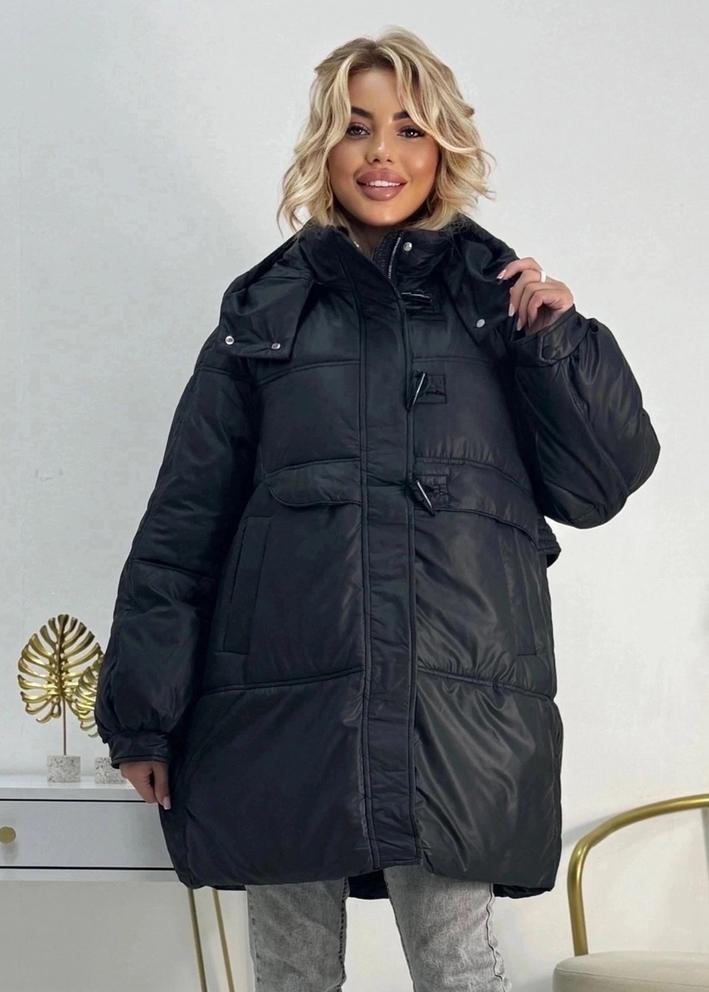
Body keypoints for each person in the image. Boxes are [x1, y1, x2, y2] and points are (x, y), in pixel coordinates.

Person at [94, 26, 661, 992]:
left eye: (408, 128)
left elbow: (599, 484)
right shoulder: (265, 314)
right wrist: (144, 717)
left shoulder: (498, 306)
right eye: (356, 128)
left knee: (457, 967)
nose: (381, 154)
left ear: (443, 145)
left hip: (455, 707)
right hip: (282, 704)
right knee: (292, 974)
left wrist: (559, 346)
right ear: (324, 146)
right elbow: (186, 521)